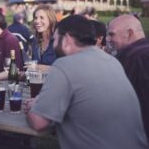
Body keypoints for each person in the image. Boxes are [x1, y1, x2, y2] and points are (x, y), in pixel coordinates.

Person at [25, 15, 148, 149]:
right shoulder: (112, 61)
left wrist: (35, 106)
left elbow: (39, 122)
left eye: (55, 39)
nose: (53, 44)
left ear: (66, 39)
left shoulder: (64, 65)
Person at [107, 14, 149, 141]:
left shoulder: (130, 56)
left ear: (129, 33)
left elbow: (115, 99)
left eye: (112, 34)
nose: (108, 39)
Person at [31, 4, 57, 70]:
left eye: (41, 18)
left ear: (50, 20)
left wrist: (37, 67)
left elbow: (62, 69)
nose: (37, 21)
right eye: (35, 18)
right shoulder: (35, 42)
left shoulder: (58, 41)